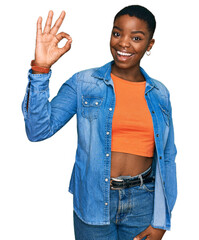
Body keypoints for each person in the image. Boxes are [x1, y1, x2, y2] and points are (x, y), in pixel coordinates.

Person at [22, 5, 177, 240]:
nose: (124, 43)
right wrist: (41, 69)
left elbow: (168, 157)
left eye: (136, 38)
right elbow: (38, 130)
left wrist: (161, 220)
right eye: (117, 33)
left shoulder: (160, 93)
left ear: (150, 45)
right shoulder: (84, 83)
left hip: (143, 202)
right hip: (94, 200)